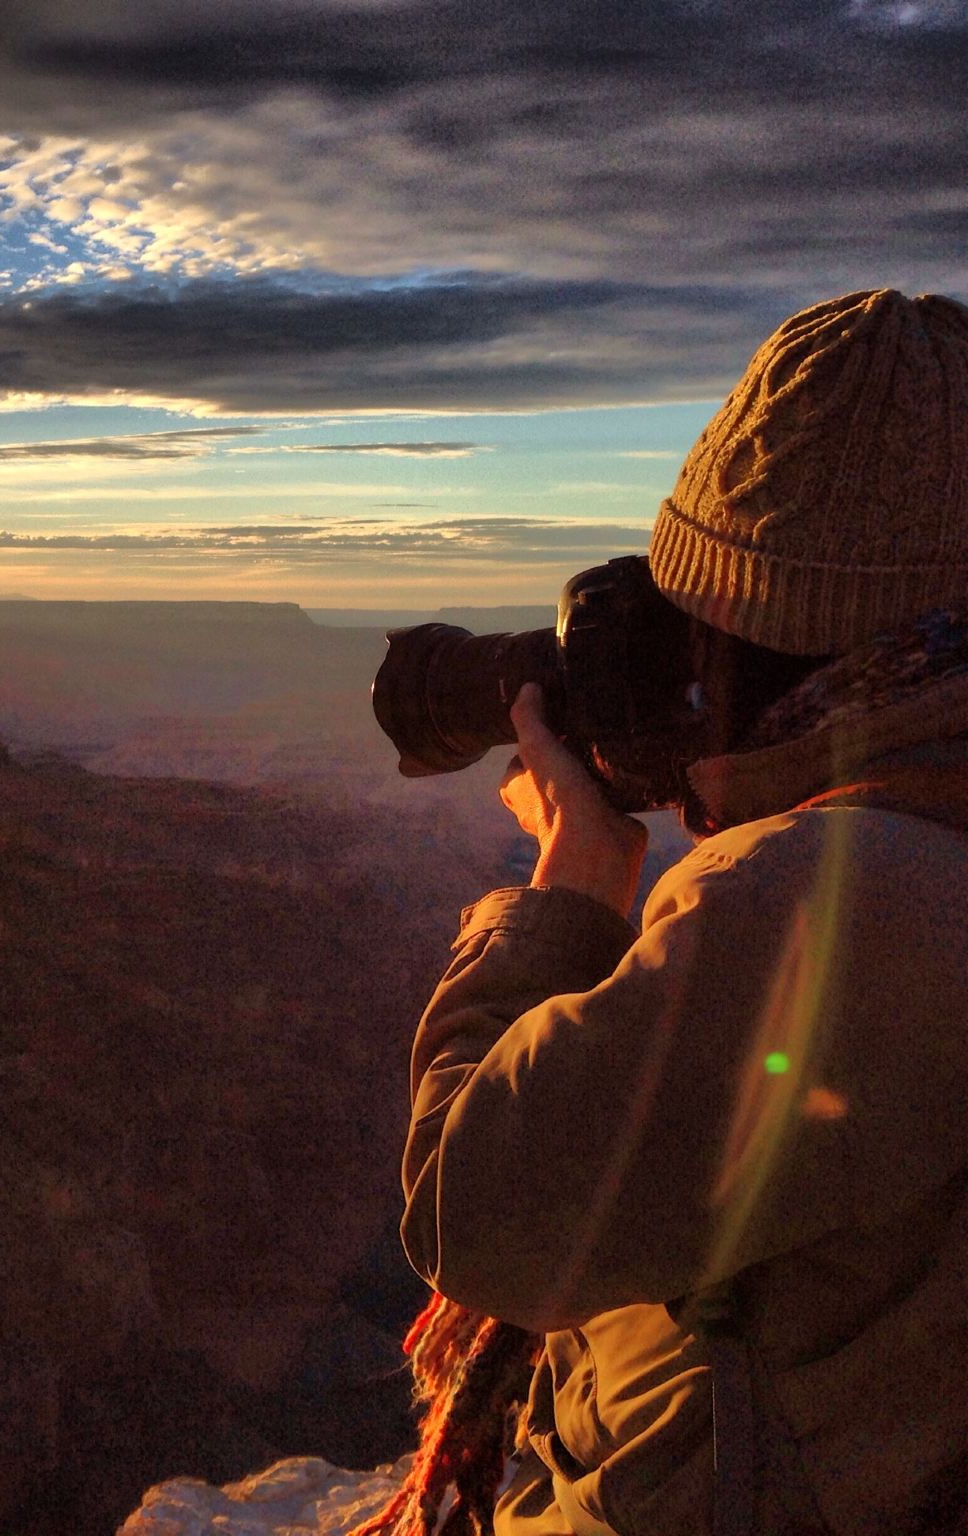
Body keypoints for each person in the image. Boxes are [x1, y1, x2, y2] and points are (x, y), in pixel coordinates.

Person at [355, 289, 968, 1536]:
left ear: (759, 626)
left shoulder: (836, 895)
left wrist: (570, 884)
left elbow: (474, 1216)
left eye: (698, 629)